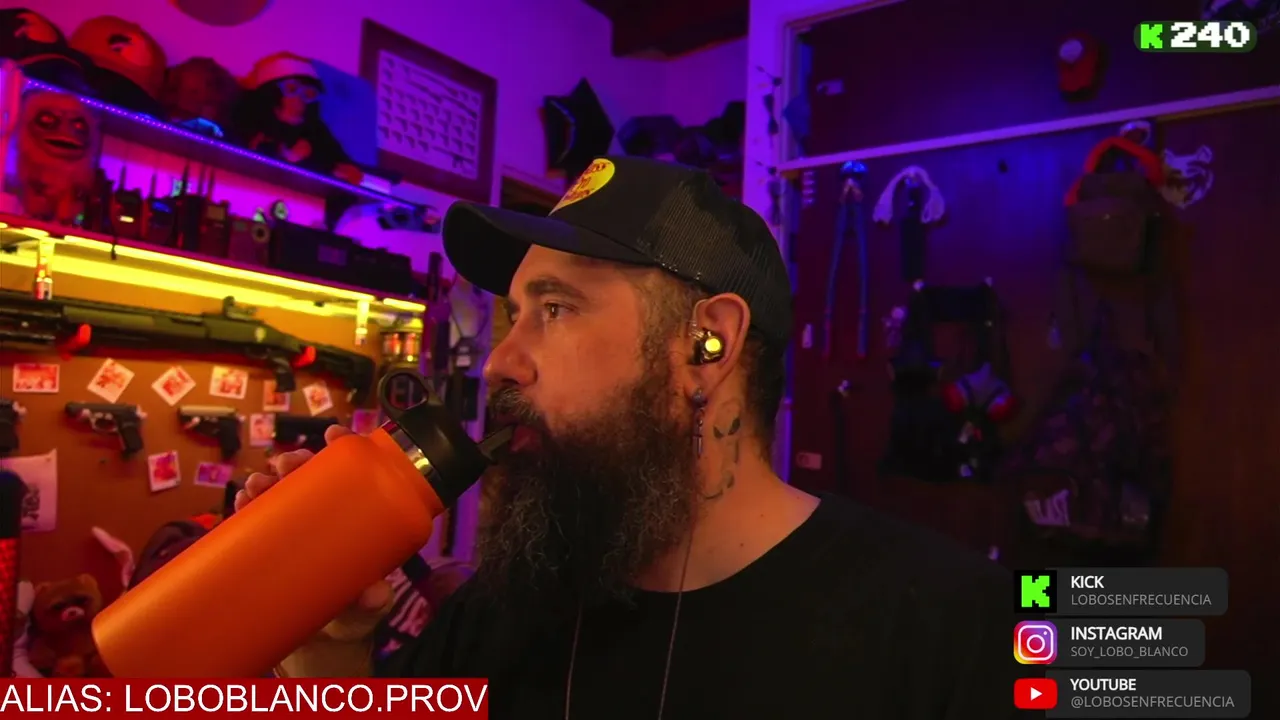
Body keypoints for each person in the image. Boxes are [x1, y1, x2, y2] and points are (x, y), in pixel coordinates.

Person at [238, 156, 1015, 718]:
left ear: (707, 343)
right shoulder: (499, 611)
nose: (503, 362)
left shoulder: (953, 626)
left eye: (555, 308)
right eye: (515, 314)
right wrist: (330, 641)